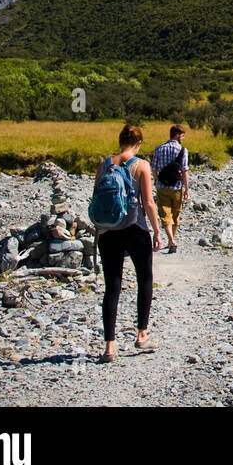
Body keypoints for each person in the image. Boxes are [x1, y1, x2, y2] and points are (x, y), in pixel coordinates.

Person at [94, 124, 161, 363]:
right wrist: (157, 231)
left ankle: (110, 347)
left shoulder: (104, 165)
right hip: (135, 229)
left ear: (120, 140)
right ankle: (142, 334)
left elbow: (97, 199)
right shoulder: (141, 165)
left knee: (112, 287)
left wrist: (99, 230)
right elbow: (149, 203)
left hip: (109, 230)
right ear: (139, 143)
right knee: (144, 279)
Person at [150, 124, 191, 254]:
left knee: (165, 213)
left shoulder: (159, 149)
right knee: (176, 213)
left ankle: (170, 239)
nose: (183, 138)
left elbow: (154, 169)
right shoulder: (183, 150)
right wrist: (187, 189)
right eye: (182, 136)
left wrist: (157, 181)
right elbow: (184, 171)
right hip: (177, 187)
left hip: (162, 186)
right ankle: (171, 240)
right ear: (178, 135)